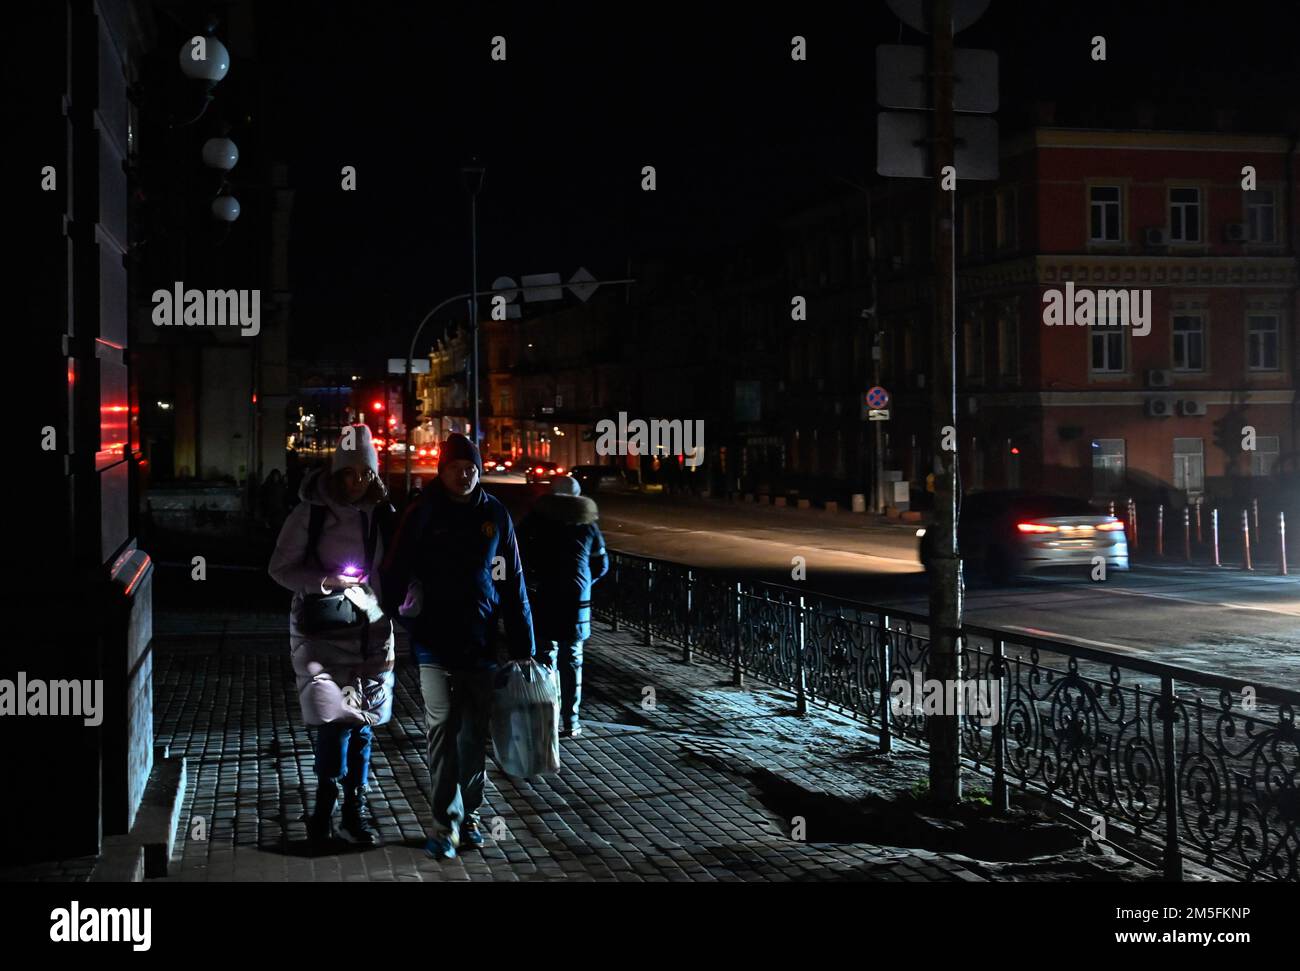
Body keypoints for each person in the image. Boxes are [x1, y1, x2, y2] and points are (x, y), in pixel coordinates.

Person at [380, 433, 535, 860]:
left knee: (473, 740)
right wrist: (396, 612)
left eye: (470, 468)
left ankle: (470, 818)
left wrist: (524, 643)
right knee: (442, 732)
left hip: (481, 645)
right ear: (442, 471)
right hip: (434, 645)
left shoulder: (495, 516)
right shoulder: (423, 512)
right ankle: (444, 825)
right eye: (455, 467)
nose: (463, 474)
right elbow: (394, 567)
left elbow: (511, 581)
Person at [268, 424, 400, 849]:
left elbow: (393, 570)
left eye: (365, 472)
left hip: (373, 631)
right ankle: (325, 808)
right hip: (322, 631)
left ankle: (352, 811)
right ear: (336, 472)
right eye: (350, 472)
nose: (358, 481)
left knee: (363, 725)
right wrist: (327, 581)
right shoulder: (312, 511)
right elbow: (280, 568)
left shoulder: (382, 513)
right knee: (334, 724)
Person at [517, 474, 609, 738]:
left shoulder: (536, 519)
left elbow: (517, 551)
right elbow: (601, 564)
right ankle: (571, 721)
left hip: (544, 595)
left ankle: (549, 719)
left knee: (546, 658)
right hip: (577, 600)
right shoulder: (588, 524)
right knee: (573, 659)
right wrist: (584, 581)